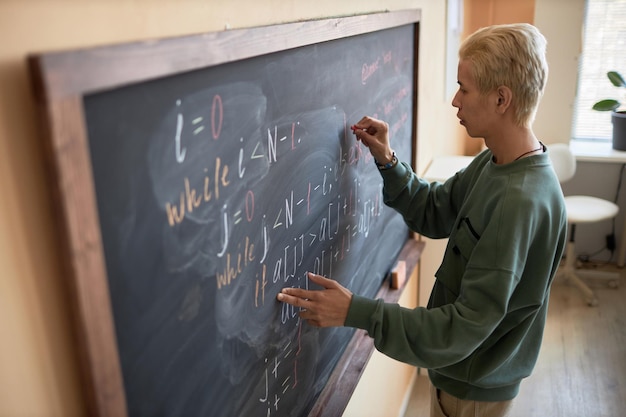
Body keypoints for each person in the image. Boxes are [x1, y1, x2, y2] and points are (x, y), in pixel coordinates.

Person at [277, 23, 567, 417]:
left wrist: (355, 312)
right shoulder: (496, 162)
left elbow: (463, 328)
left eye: (464, 89)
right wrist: (388, 161)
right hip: (466, 378)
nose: (454, 101)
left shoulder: (517, 202)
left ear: (502, 99)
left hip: (473, 393)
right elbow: (436, 210)